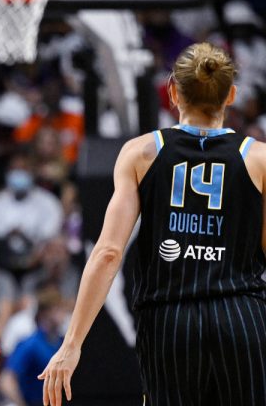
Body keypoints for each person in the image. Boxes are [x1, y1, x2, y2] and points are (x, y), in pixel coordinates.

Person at [39, 42, 266, 406]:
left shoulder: (141, 152)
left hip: (169, 319)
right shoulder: (259, 158)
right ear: (231, 96)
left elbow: (109, 252)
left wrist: (72, 343)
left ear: (173, 92)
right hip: (238, 314)